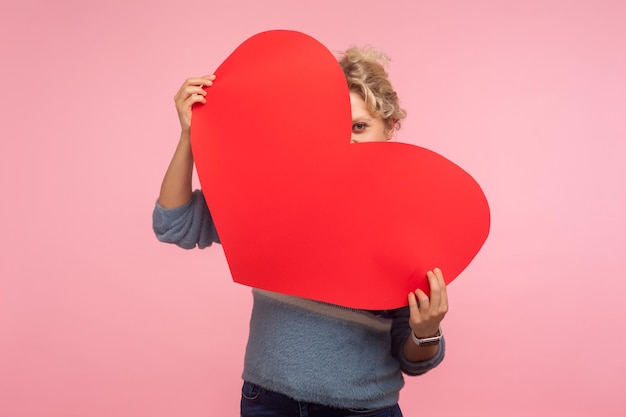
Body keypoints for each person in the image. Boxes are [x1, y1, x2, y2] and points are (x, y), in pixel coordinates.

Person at [153, 47, 448, 417]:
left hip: (362, 410)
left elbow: (413, 358)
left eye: (360, 126)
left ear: (389, 128)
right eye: (335, 128)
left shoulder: (411, 222)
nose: (348, 140)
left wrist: (428, 330)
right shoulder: (274, 196)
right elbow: (174, 223)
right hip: (268, 402)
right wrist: (189, 137)